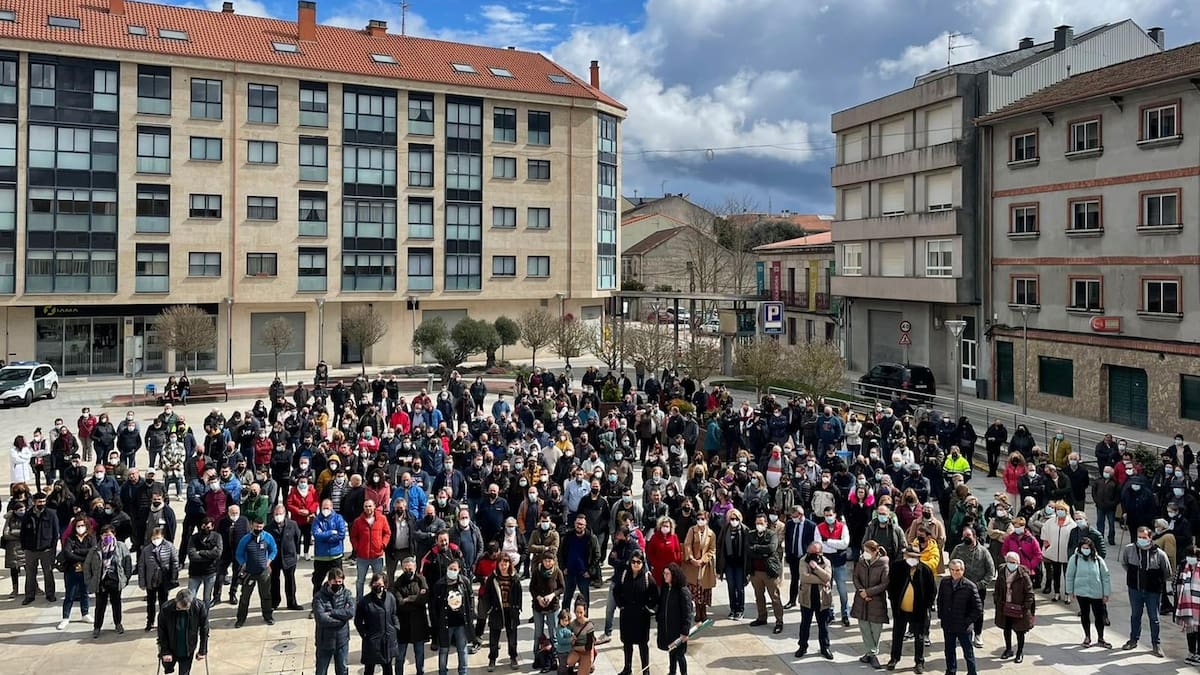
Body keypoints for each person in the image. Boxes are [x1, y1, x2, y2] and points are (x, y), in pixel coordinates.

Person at [1121, 525, 1172, 657]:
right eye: (1139, 537)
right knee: (1135, 616)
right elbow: (1125, 564)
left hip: (1153, 592)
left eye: (1144, 537)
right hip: (1135, 590)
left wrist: (1155, 582)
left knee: (1154, 618)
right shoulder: (1129, 549)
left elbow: (1167, 572)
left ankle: (1156, 644)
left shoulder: (1160, 554)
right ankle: (1133, 640)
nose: (1141, 540)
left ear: (1150, 538)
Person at [886, 546, 936, 673]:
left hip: (918, 612)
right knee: (897, 635)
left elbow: (932, 591)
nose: (911, 559)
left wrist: (926, 606)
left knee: (919, 637)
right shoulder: (897, 567)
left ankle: (919, 662)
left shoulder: (925, 571)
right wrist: (893, 601)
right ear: (905, 556)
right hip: (900, 610)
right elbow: (890, 586)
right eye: (909, 556)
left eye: (914, 557)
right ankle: (894, 658)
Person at [948, 527, 995, 648]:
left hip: (978, 588)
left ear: (974, 536)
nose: (965, 538)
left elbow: (991, 572)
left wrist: (980, 584)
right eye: (964, 536)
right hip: (961, 587)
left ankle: (978, 634)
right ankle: (962, 632)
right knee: (961, 610)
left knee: (978, 611)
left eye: (968, 535)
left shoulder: (983, 551)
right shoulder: (958, 549)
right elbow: (952, 564)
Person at [613, 551, 658, 675]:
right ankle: (627, 668)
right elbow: (616, 591)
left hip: (642, 617)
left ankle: (646, 670)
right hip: (627, 615)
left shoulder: (647, 577)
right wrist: (621, 605)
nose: (636, 564)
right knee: (627, 643)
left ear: (642, 563)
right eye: (633, 561)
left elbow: (655, 596)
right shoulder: (624, 574)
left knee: (643, 645)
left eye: (639, 562)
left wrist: (647, 608)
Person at [84, 524, 133, 637]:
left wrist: (126, 578)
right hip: (101, 581)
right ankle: (97, 627)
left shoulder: (121, 546)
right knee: (100, 605)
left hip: (115, 580)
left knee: (116, 604)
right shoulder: (95, 549)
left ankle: (118, 623)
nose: (107, 537)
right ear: (101, 536)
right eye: (105, 535)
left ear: (114, 535)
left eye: (109, 534)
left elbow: (127, 563)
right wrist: (89, 581)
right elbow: (87, 566)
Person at [1065, 536, 1112, 649]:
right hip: (1082, 593)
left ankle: (1101, 638)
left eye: (1088, 548)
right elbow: (1069, 576)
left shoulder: (1098, 560)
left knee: (1099, 616)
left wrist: (1106, 593)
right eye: (1083, 547)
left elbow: (1105, 577)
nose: (1086, 550)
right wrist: (1070, 591)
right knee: (1085, 615)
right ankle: (1087, 637)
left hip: (1096, 593)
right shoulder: (1074, 559)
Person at [937, 559, 983, 675]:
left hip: (963, 627)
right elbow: (940, 600)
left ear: (962, 570)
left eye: (957, 570)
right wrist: (942, 616)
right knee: (949, 651)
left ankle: (972, 672)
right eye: (952, 570)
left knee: (968, 652)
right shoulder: (945, 582)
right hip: (948, 624)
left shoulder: (970, 586)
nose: (955, 573)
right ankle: (951, 671)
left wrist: (966, 621)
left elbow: (978, 609)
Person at [430, 558, 475, 675]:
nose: (452, 571)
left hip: (461, 623)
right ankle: (442, 672)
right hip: (445, 624)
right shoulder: (439, 585)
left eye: (455, 569)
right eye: (450, 569)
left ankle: (463, 672)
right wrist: (435, 622)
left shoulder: (464, 582)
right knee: (444, 650)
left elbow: (471, 598)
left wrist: (471, 615)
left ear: (459, 570)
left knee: (462, 650)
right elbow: (433, 606)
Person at [850, 539, 889, 668]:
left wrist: (868, 592)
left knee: (876, 629)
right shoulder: (861, 562)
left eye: (867, 551)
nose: (864, 553)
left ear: (875, 551)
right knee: (864, 627)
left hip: (876, 601)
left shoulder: (883, 564)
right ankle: (871, 653)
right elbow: (855, 577)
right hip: (861, 600)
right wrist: (861, 591)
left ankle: (871, 653)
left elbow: (884, 583)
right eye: (864, 551)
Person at [793, 541, 834, 660]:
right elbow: (804, 577)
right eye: (810, 552)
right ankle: (802, 646)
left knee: (823, 625)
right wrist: (821, 580)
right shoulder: (803, 560)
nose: (812, 555)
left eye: (815, 553)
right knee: (805, 624)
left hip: (822, 598)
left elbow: (828, 577)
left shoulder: (826, 562)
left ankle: (825, 647)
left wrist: (816, 568)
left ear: (820, 553)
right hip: (807, 597)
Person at [234, 517, 278, 627]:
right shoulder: (245, 539)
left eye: (261, 527)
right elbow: (239, 553)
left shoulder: (267, 537)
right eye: (257, 526)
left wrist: (269, 561)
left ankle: (268, 616)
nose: (258, 529)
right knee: (245, 597)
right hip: (249, 572)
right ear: (252, 525)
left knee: (266, 595)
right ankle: (241, 619)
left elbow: (274, 549)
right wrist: (243, 563)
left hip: (263, 572)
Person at [355, 573, 400, 675]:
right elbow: (358, 621)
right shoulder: (364, 601)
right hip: (372, 641)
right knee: (369, 668)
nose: (377, 586)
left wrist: (396, 627)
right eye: (375, 584)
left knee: (388, 668)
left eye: (380, 584)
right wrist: (365, 634)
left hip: (388, 639)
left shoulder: (390, 598)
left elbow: (394, 614)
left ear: (385, 585)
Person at [746, 512, 784, 633]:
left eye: (761, 523)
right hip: (755, 571)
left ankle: (779, 621)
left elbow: (772, 548)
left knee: (775, 597)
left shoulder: (771, 534)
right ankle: (762, 617)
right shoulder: (751, 534)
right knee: (758, 596)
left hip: (769, 571)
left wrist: (756, 548)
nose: (759, 525)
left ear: (766, 523)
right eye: (757, 523)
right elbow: (748, 549)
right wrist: (762, 550)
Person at [484, 554, 523, 671]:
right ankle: (492, 659)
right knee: (494, 637)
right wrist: (489, 609)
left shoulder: (515, 578)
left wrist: (517, 608)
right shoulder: (492, 578)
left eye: (505, 563)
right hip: (496, 611)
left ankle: (513, 657)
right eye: (501, 563)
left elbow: (519, 594)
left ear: (509, 564)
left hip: (511, 611)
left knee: (512, 638)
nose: (503, 566)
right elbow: (487, 595)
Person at [156, 588, 209, 674]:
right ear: (176, 601)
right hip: (171, 647)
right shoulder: (166, 608)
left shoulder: (199, 607)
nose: (182, 610)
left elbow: (204, 629)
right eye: (179, 608)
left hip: (188, 649)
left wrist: (202, 650)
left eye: (186, 608)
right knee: (168, 668)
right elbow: (162, 631)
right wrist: (165, 651)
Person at [20, 490, 59, 605]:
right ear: (34, 502)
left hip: (46, 549)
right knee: (30, 574)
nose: (41, 503)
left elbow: (55, 533)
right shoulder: (28, 514)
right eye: (39, 501)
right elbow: (23, 532)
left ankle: (50, 594)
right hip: (30, 550)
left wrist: (53, 549)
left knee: (48, 573)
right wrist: (24, 547)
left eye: (43, 501)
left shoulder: (51, 514)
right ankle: (29, 595)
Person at [814, 505, 851, 626]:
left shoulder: (842, 527)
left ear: (835, 515)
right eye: (826, 515)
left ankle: (845, 613)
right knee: (827, 589)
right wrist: (835, 547)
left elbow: (845, 544)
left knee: (842, 589)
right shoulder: (819, 528)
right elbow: (819, 546)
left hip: (839, 562)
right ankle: (830, 613)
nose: (828, 517)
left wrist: (828, 542)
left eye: (830, 515)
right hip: (825, 563)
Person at [994, 551, 1034, 663]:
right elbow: (997, 589)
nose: (1011, 564)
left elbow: (1030, 593)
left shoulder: (1023, 575)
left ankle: (1020, 652)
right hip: (1005, 606)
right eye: (1009, 562)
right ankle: (1008, 649)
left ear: (1018, 563)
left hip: (1019, 608)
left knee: (1020, 631)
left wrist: (1025, 607)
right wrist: (997, 601)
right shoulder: (1002, 572)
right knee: (1006, 629)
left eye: (1014, 562)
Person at [138, 525, 180, 632]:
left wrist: (174, 577)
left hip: (164, 579)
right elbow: (141, 566)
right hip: (151, 580)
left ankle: (163, 622)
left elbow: (175, 562)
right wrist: (142, 582)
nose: (156, 540)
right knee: (150, 603)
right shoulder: (146, 550)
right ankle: (150, 621)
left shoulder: (169, 546)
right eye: (154, 538)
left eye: (158, 537)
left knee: (164, 602)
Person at [392, 556, 430, 675]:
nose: (408, 571)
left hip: (419, 624)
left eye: (410, 569)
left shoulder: (421, 580)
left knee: (419, 655)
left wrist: (408, 598)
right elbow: (399, 603)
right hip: (403, 625)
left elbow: (424, 599)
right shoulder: (398, 582)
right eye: (406, 569)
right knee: (399, 657)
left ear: (415, 568)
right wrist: (415, 600)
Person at [314, 568, 355, 675]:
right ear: (329, 581)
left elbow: (350, 612)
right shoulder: (319, 597)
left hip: (342, 641)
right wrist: (342, 620)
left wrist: (332, 612)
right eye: (335, 582)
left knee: (342, 670)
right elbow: (321, 619)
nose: (337, 584)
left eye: (340, 582)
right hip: (325, 642)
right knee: (321, 671)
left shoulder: (347, 594)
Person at [58, 517, 96, 630]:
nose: (80, 528)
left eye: (82, 525)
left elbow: (92, 550)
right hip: (72, 569)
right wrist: (81, 557)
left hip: (86, 570)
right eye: (78, 526)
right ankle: (65, 617)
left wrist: (77, 552)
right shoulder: (70, 539)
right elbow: (68, 553)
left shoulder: (91, 537)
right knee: (69, 594)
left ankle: (85, 613)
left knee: (84, 593)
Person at [656, 563, 694, 675]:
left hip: (679, 631)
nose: (665, 576)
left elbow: (687, 613)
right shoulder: (666, 588)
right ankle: (672, 672)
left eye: (667, 574)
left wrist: (685, 632)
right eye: (664, 573)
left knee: (680, 655)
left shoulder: (682, 591)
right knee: (671, 652)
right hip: (669, 629)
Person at [351, 499, 392, 600]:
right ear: (363, 508)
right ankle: (359, 600)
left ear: (374, 507)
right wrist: (357, 548)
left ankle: (377, 597)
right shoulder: (358, 521)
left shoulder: (382, 519)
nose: (368, 508)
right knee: (360, 580)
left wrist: (383, 544)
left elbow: (387, 533)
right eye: (366, 506)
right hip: (362, 557)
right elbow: (353, 537)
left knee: (378, 580)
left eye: (370, 506)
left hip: (377, 556)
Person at [267, 504, 304, 611]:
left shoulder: (293, 524)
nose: (278, 516)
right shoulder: (268, 528)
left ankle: (292, 602)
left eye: (280, 514)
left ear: (285, 514)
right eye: (276, 514)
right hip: (274, 559)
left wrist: (296, 553)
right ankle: (274, 602)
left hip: (289, 558)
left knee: (290, 581)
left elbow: (297, 538)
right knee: (274, 581)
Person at [312, 499, 348, 603]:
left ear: (332, 508)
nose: (325, 510)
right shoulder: (317, 520)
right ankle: (316, 605)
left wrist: (325, 538)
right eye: (324, 508)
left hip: (335, 556)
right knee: (317, 582)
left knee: (338, 581)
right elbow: (316, 535)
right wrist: (331, 532)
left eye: (327, 508)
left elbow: (341, 534)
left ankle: (341, 603)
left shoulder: (338, 518)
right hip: (320, 557)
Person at [1040, 499, 1076, 602]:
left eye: (1062, 509)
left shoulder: (1072, 524)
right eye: (1058, 509)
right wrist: (1047, 545)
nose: (1060, 511)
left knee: (1067, 575)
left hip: (1066, 555)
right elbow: (1044, 534)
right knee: (1056, 574)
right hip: (1053, 553)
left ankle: (1067, 594)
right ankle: (1056, 593)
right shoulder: (1050, 522)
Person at [715, 508, 747, 619]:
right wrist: (719, 566)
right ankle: (733, 608)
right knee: (731, 587)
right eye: (731, 518)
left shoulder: (744, 530)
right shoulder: (725, 530)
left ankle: (740, 609)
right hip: (728, 563)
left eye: (736, 518)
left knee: (740, 587)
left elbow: (747, 548)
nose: (734, 520)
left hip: (740, 564)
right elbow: (719, 546)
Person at [186, 517, 222, 608]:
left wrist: (201, 552)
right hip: (195, 573)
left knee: (207, 598)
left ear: (212, 527)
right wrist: (209, 556)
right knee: (191, 598)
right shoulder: (194, 538)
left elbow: (217, 553)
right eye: (204, 527)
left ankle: (204, 618)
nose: (206, 529)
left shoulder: (217, 537)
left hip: (210, 572)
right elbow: (192, 555)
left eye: (208, 527)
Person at [1176, 545, 1200, 664]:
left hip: (1198, 605)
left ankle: (1199, 654)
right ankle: (1191, 652)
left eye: (1193, 556)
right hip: (1187, 604)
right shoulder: (1182, 566)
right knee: (1190, 629)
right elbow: (1176, 583)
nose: (1191, 558)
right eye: (1189, 555)